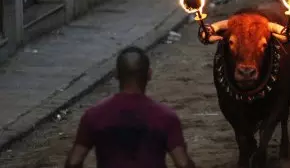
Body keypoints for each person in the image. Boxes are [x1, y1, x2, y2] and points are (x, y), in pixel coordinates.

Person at [64, 47, 196, 168]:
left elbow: (74, 162)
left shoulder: (94, 115)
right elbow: (183, 164)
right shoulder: (166, 117)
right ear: (149, 74)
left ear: (116, 74)